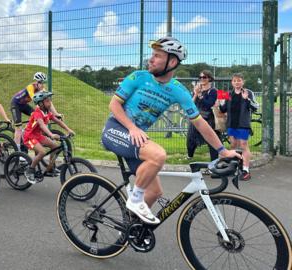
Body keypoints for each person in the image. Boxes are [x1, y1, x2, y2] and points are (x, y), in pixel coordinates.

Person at [101, 37, 240, 224]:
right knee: (158, 155)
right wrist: (132, 128)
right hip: (116, 130)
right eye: (152, 55)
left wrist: (222, 151)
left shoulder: (178, 90)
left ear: (172, 62)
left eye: (157, 56)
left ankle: (128, 229)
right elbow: (114, 104)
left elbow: (199, 122)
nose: (151, 59)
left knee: (155, 192)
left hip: (137, 139)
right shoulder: (138, 77)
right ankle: (134, 201)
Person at [23, 92, 74, 184]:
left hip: (38, 136)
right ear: (40, 103)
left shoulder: (47, 113)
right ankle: (30, 170)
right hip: (29, 137)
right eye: (47, 101)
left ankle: (50, 168)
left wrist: (68, 129)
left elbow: (58, 121)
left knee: (54, 146)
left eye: (50, 100)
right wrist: (51, 135)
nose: (50, 103)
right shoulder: (37, 113)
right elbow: (42, 126)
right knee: (42, 152)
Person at [220, 73, 259, 181]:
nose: (237, 82)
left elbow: (255, 107)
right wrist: (219, 104)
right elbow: (223, 109)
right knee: (233, 144)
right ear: (232, 82)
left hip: (243, 124)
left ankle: (245, 169)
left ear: (243, 81)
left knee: (243, 145)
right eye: (235, 81)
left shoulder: (248, 93)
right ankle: (234, 166)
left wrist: (246, 99)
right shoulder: (228, 94)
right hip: (231, 124)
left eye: (239, 80)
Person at [10, 72, 61, 151]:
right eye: (40, 83)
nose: (42, 85)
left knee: (36, 117)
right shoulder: (30, 87)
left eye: (43, 83)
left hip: (23, 105)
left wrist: (56, 113)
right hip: (15, 104)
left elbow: (48, 103)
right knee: (18, 128)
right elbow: (36, 102)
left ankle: (26, 132)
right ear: (36, 82)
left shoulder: (42, 90)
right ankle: (17, 151)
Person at [186, 70, 218, 161]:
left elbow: (208, 104)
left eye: (204, 77)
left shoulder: (213, 91)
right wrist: (196, 94)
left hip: (208, 118)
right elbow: (191, 103)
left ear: (209, 79)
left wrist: (200, 95)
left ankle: (214, 162)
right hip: (196, 117)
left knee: (211, 140)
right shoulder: (197, 89)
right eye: (200, 77)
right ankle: (189, 157)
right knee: (190, 138)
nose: (202, 79)